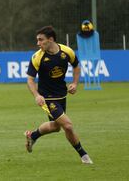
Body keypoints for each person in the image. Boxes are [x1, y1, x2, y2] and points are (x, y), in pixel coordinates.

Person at [25, 25, 93, 164]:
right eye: (37, 40)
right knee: (67, 125)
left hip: (62, 95)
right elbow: (30, 79)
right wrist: (37, 95)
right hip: (47, 99)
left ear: (50, 39)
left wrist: (75, 83)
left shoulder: (66, 52)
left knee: (56, 127)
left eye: (40, 40)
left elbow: (76, 66)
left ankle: (33, 135)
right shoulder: (37, 57)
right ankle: (84, 155)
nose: (38, 43)